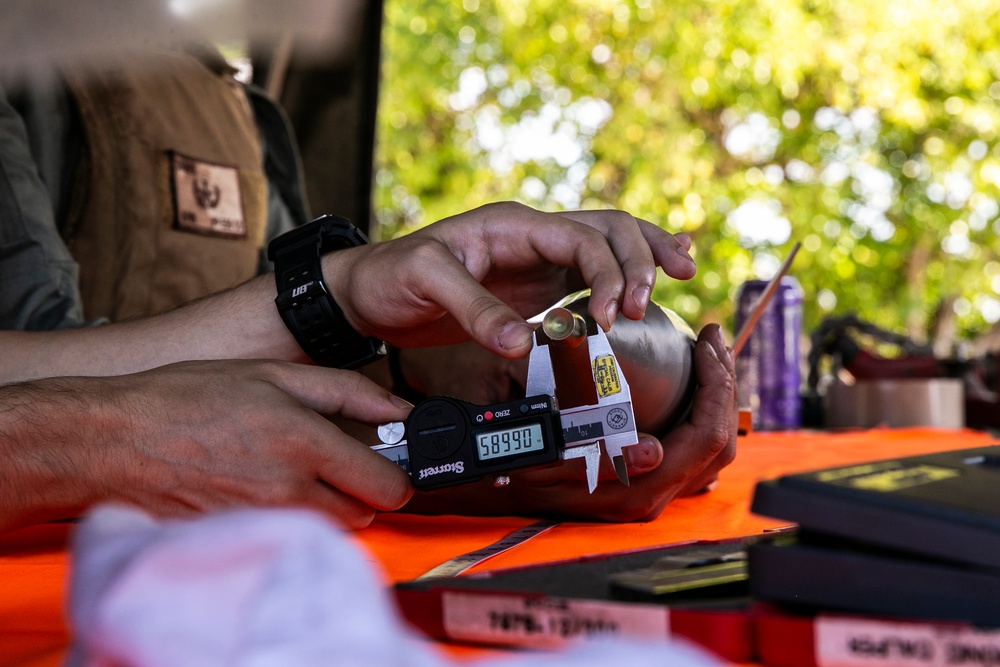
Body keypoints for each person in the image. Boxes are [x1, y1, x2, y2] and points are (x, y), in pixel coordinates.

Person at [0, 47, 736, 533]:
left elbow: (44, 377)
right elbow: (79, 384)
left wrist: (339, 296)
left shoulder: (250, 118)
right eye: (516, 389)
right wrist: (119, 445)